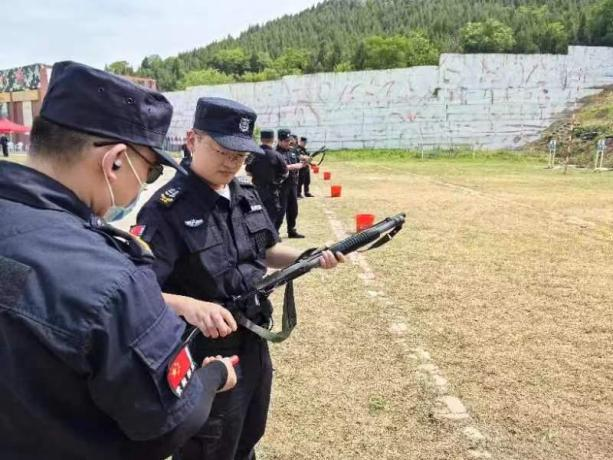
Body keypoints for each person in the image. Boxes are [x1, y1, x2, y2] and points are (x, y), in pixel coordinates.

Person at [0, 61, 237, 460]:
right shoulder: (110, 277)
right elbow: (167, 425)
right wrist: (215, 376)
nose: (144, 186)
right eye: (150, 171)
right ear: (114, 162)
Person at [135, 97, 344, 460]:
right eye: (222, 151)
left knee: (248, 433)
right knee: (208, 445)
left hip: (252, 338)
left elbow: (266, 250)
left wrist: (310, 257)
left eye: (240, 155)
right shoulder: (166, 209)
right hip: (203, 353)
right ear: (192, 140)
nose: (231, 162)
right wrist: (191, 306)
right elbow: (138, 291)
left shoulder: (244, 193)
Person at [245, 129, 288, 229]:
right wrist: (277, 181)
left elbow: (248, 171)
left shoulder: (253, 154)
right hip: (272, 192)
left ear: (261, 139)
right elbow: (285, 173)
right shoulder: (277, 155)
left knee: (257, 216)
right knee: (271, 218)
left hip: (257, 191)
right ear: (273, 140)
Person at [276, 129, 306, 238]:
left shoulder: (292, 151)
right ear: (279, 140)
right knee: (280, 210)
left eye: (289, 140)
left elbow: (299, 158)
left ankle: (291, 230)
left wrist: (305, 160)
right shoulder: (276, 153)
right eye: (285, 141)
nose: (288, 142)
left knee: (293, 209)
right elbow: (282, 167)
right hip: (281, 186)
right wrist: (297, 166)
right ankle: (275, 233)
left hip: (293, 184)